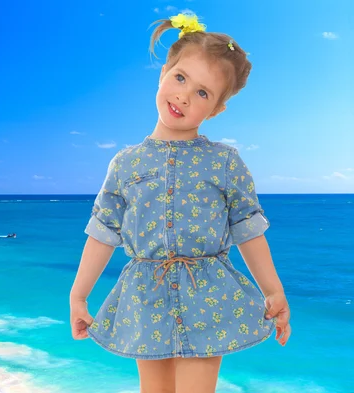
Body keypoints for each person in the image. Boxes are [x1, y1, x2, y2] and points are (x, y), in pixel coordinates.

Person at [69, 12, 291, 393]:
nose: (184, 95)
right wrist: (78, 294)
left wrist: (273, 290)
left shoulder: (224, 162)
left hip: (208, 292)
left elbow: (248, 230)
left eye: (203, 93)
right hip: (145, 292)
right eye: (180, 78)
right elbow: (103, 231)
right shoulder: (126, 163)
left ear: (216, 108)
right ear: (163, 74)